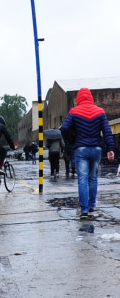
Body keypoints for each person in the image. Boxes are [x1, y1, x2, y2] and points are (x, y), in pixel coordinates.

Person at [60, 87, 115, 219]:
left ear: (78, 98)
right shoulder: (100, 111)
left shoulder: (74, 111)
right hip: (96, 148)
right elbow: (107, 131)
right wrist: (110, 149)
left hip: (81, 149)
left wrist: (71, 140)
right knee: (93, 178)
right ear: (91, 97)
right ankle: (91, 206)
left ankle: (84, 210)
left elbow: (64, 128)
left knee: (82, 179)